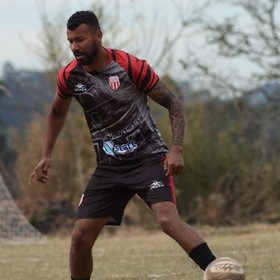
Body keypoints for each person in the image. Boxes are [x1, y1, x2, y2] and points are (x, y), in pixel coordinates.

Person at [29, 10, 216, 280]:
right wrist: (46, 154)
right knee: (80, 236)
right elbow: (57, 112)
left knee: (167, 220)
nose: (74, 47)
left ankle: (218, 269)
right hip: (109, 167)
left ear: (98, 36)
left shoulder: (130, 66)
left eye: (80, 40)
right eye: (70, 41)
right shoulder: (70, 76)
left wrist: (176, 148)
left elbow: (173, 103)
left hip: (149, 159)